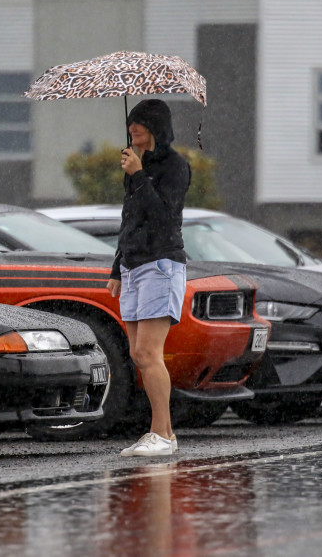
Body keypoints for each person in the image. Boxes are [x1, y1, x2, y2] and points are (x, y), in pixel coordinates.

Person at [107, 98, 191, 457]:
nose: (132, 128)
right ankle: (164, 434)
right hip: (133, 267)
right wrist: (117, 268)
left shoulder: (175, 166)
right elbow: (130, 219)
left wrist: (139, 174)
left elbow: (163, 218)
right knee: (137, 354)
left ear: (156, 125)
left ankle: (160, 433)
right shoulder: (134, 164)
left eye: (140, 122)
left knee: (147, 352)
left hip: (161, 265)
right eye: (131, 122)